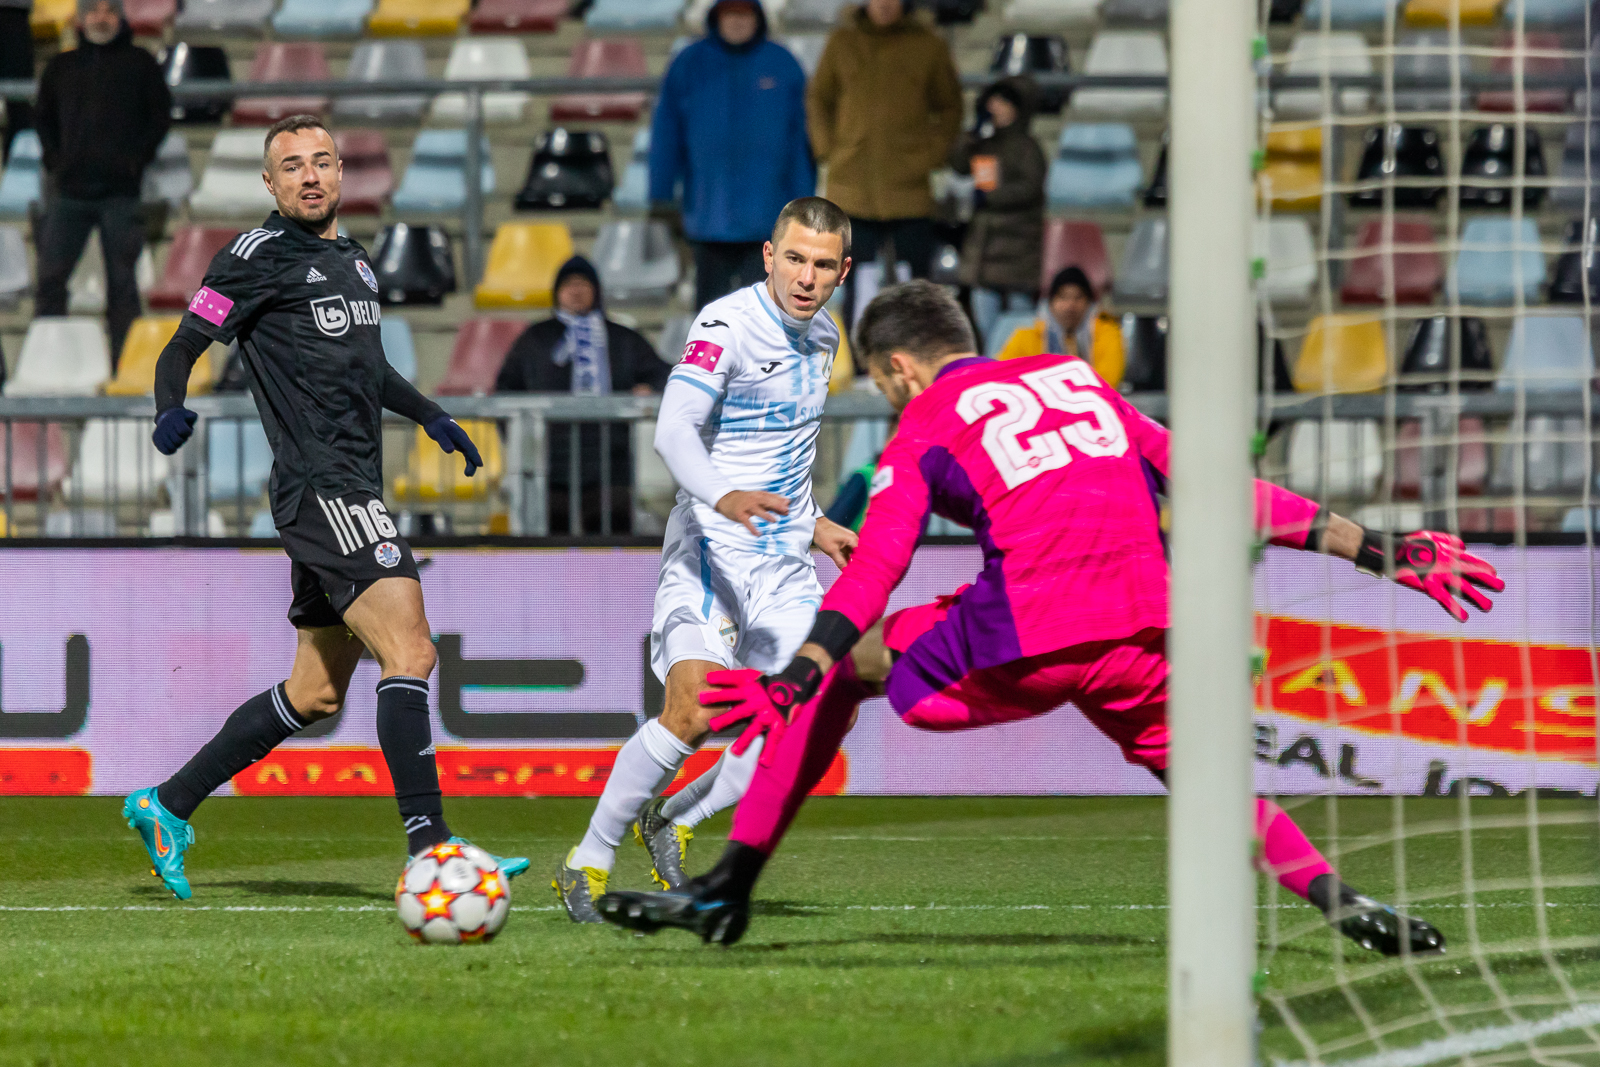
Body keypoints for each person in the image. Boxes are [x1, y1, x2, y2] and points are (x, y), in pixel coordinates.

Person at [594, 280, 1503, 949]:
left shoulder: (925, 423)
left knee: (845, 667)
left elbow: (876, 567)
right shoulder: (1079, 382)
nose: (886, 398)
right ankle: (1348, 905)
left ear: (899, 369)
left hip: (1030, 631)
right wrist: (1375, 546)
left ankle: (726, 888)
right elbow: (1214, 482)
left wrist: (798, 672)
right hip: (1149, 625)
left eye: (878, 384)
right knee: (1216, 785)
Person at [120, 115, 528, 900]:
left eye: (321, 162)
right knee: (409, 651)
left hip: (350, 485)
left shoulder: (355, 261)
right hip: (322, 488)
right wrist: (169, 406)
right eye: (291, 167)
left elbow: (368, 369)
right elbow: (182, 344)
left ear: (342, 172)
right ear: (269, 185)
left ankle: (166, 803)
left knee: (314, 692)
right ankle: (433, 851)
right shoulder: (255, 255)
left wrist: (431, 414)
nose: (309, 176)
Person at [553, 197, 860, 922]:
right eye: (794, 258)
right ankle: (588, 861)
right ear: (768, 255)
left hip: (783, 565)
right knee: (691, 711)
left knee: (802, 719)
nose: (806, 277)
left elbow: (784, 454)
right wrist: (723, 498)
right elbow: (674, 432)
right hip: (709, 553)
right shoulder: (726, 324)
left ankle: (675, 816)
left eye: (822, 265)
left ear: (842, 271)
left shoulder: (825, 339)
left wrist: (816, 523)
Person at [650, 0, 814, 311]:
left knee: (767, 317)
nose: (737, 22)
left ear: (758, 18)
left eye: (744, 14)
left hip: (768, 221)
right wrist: (661, 193)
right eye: (730, 14)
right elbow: (667, 131)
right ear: (716, 18)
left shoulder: (782, 64)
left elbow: (800, 143)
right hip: (708, 218)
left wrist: (803, 205)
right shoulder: (689, 63)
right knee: (711, 316)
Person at [34, 0, 170, 364]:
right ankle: (49, 362)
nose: (101, 18)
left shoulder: (141, 64)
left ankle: (124, 367)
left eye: (109, 11)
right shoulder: (60, 67)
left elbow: (159, 118)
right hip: (69, 194)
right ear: (80, 19)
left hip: (120, 195)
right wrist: (55, 162)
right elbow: (43, 119)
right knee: (49, 281)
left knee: (123, 288)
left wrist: (135, 161)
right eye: (92, 11)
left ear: (120, 18)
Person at [495, 254, 670, 534]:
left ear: (597, 292)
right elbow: (504, 390)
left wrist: (648, 388)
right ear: (557, 292)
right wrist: (522, 440)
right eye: (569, 285)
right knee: (549, 547)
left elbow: (663, 374)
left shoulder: (622, 338)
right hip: (549, 465)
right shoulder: (535, 339)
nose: (576, 291)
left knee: (612, 546)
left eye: (583, 284)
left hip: (611, 464)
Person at [809, 0, 961, 312]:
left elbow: (950, 107)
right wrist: (827, 148)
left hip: (910, 191)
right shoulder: (842, 43)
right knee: (852, 286)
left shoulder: (929, 47)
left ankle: (916, 358)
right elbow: (818, 99)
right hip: (851, 188)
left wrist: (930, 156)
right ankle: (861, 361)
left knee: (916, 289)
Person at [948, 76, 1046, 347]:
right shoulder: (985, 144)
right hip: (984, 249)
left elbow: (1030, 188)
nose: (996, 108)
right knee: (984, 325)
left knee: (1020, 320)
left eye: (1002, 102)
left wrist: (992, 196)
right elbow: (958, 163)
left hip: (1017, 246)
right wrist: (973, 133)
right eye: (992, 102)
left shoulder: (1027, 147)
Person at [997, 265, 1125, 389]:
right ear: (1050, 303)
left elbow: (1109, 381)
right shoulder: (1028, 334)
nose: (1070, 305)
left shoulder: (1108, 332)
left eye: (1078, 297)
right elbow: (1001, 375)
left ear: (1089, 303)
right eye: (1063, 297)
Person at [0, 0, 32, 162]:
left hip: (15, 12)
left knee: (20, 98)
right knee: (20, 101)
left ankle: (18, 169)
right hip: (15, 13)